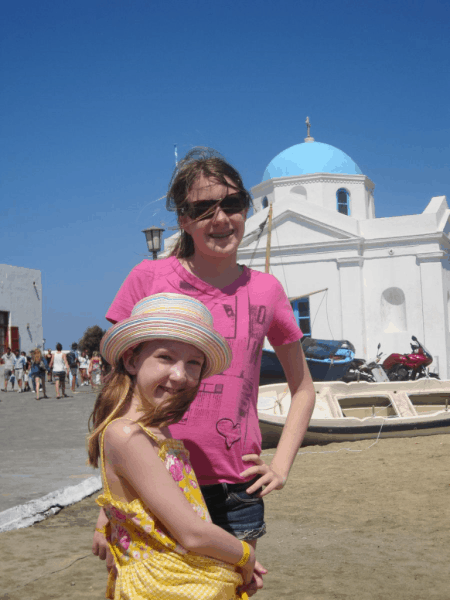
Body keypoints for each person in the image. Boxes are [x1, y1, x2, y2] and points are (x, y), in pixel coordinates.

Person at [93, 148, 315, 593]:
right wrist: (109, 498)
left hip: (236, 488)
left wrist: (282, 465)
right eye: (202, 209)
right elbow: (116, 387)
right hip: (150, 482)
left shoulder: (267, 290)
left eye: (232, 205)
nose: (220, 219)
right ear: (183, 220)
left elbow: (304, 388)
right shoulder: (147, 277)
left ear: (246, 210)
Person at [87, 293, 261, 599]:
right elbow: (193, 534)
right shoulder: (127, 434)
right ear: (131, 359)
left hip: (176, 574)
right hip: (163, 583)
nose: (180, 375)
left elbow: (132, 495)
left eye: (193, 363)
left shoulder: (154, 429)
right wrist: (246, 556)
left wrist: (108, 517)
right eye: (165, 357)